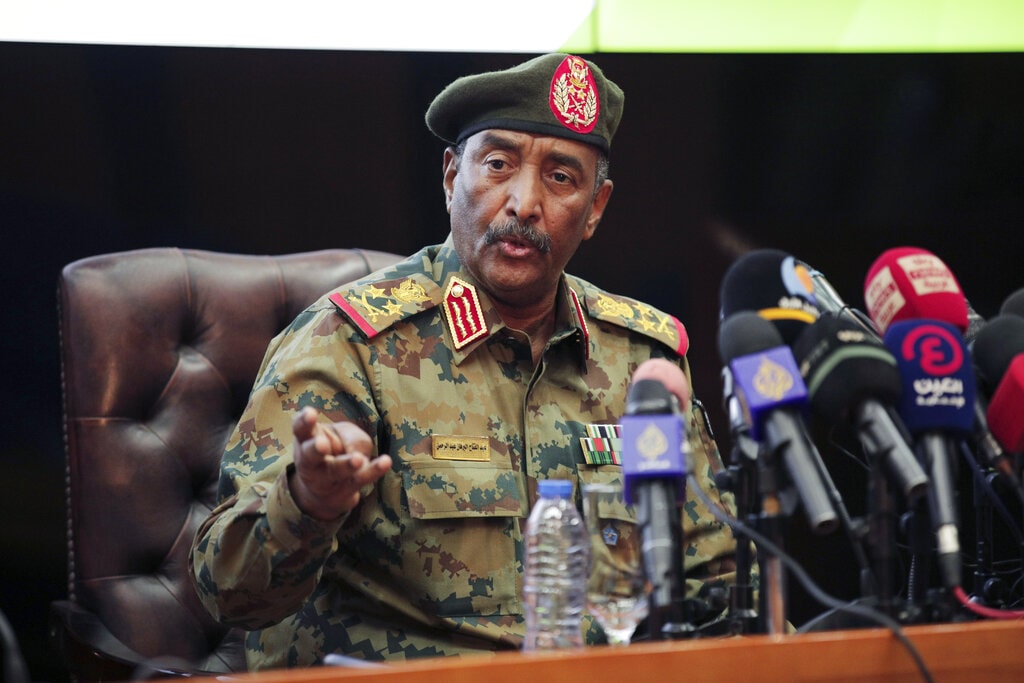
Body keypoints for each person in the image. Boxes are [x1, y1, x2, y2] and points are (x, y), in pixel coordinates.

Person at [190, 52, 740, 670]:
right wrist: (309, 503)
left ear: (596, 208)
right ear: (452, 176)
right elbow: (227, 590)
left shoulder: (640, 357)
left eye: (561, 178)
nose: (524, 203)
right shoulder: (350, 345)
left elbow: (715, 580)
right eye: (499, 165)